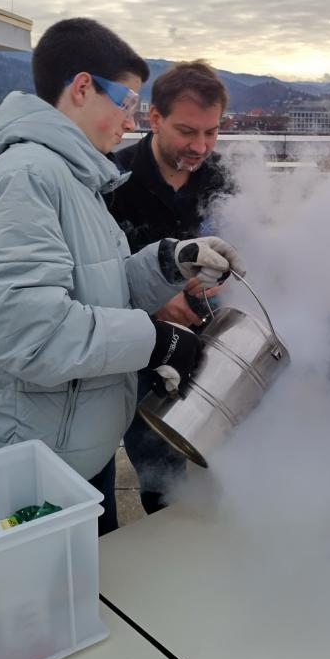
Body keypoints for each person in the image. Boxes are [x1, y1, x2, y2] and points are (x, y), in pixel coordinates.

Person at [0, 18, 244, 534]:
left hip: (71, 445)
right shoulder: (29, 177)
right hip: (33, 463)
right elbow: (32, 334)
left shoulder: (74, 176)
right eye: (128, 102)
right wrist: (159, 341)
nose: (130, 120)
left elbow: (101, 287)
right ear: (83, 87)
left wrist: (171, 259)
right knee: (53, 603)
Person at [106, 60, 234, 514]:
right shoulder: (111, 179)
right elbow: (94, 280)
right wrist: (156, 304)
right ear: (153, 118)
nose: (201, 146)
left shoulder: (222, 178)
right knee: (158, 468)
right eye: (187, 131)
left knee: (224, 463)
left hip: (213, 343)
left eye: (212, 132)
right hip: (142, 356)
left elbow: (251, 247)